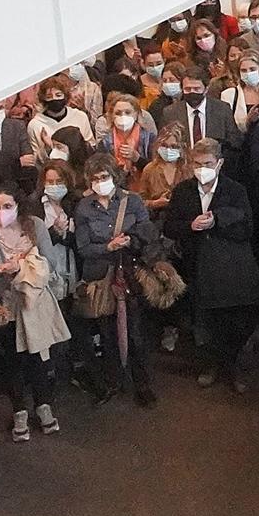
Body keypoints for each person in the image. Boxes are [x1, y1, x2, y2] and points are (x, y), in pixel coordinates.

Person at [0, 187, 68, 442]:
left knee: (40, 356)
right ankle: (19, 410)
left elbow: (51, 262)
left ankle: (43, 405)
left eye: (7, 206)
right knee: (12, 361)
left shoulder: (34, 225)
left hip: (34, 303)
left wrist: (24, 265)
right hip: (7, 305)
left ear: (18, 205)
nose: (2, 212)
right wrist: (1, 270)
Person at [165, 138, 259, 388]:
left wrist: (218, 220)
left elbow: (248, 227)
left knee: (234, 321)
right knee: (203, 323)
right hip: (196, 266)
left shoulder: (235, 190)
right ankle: (210, 365)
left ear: (219, 164)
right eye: (197, 163)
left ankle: (234, 368)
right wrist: (190, 226)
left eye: (207, 163)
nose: (202, 168)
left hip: (229, 266)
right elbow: (169, 226)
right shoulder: (183, 191)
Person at [73, 154, 159, 408]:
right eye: (95, 178)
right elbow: (83, 247)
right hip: (101, 277)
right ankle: (114, 381)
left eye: (105, 177)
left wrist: (131, 240)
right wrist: (108, 247)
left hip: (130, 273)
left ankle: (142, 384)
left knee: (135, 332)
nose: (101, 182)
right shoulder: (84, 208)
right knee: (107, 332)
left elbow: (148, 232)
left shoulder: (131, 201)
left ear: (114, 176)